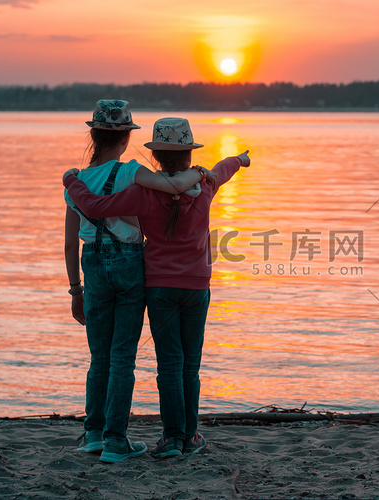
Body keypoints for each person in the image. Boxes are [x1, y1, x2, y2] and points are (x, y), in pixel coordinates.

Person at [63, 116, 251, 458]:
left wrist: (71, 181)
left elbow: (94, 207)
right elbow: (225, 168)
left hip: (159, 286)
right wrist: (241, 159)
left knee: (168, 364)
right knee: (189, 365)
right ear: (189, 153)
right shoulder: (206, 184)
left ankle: (170, 439)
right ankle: (187, 437)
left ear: (157, 157)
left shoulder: (145, 193)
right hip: (196, 287)